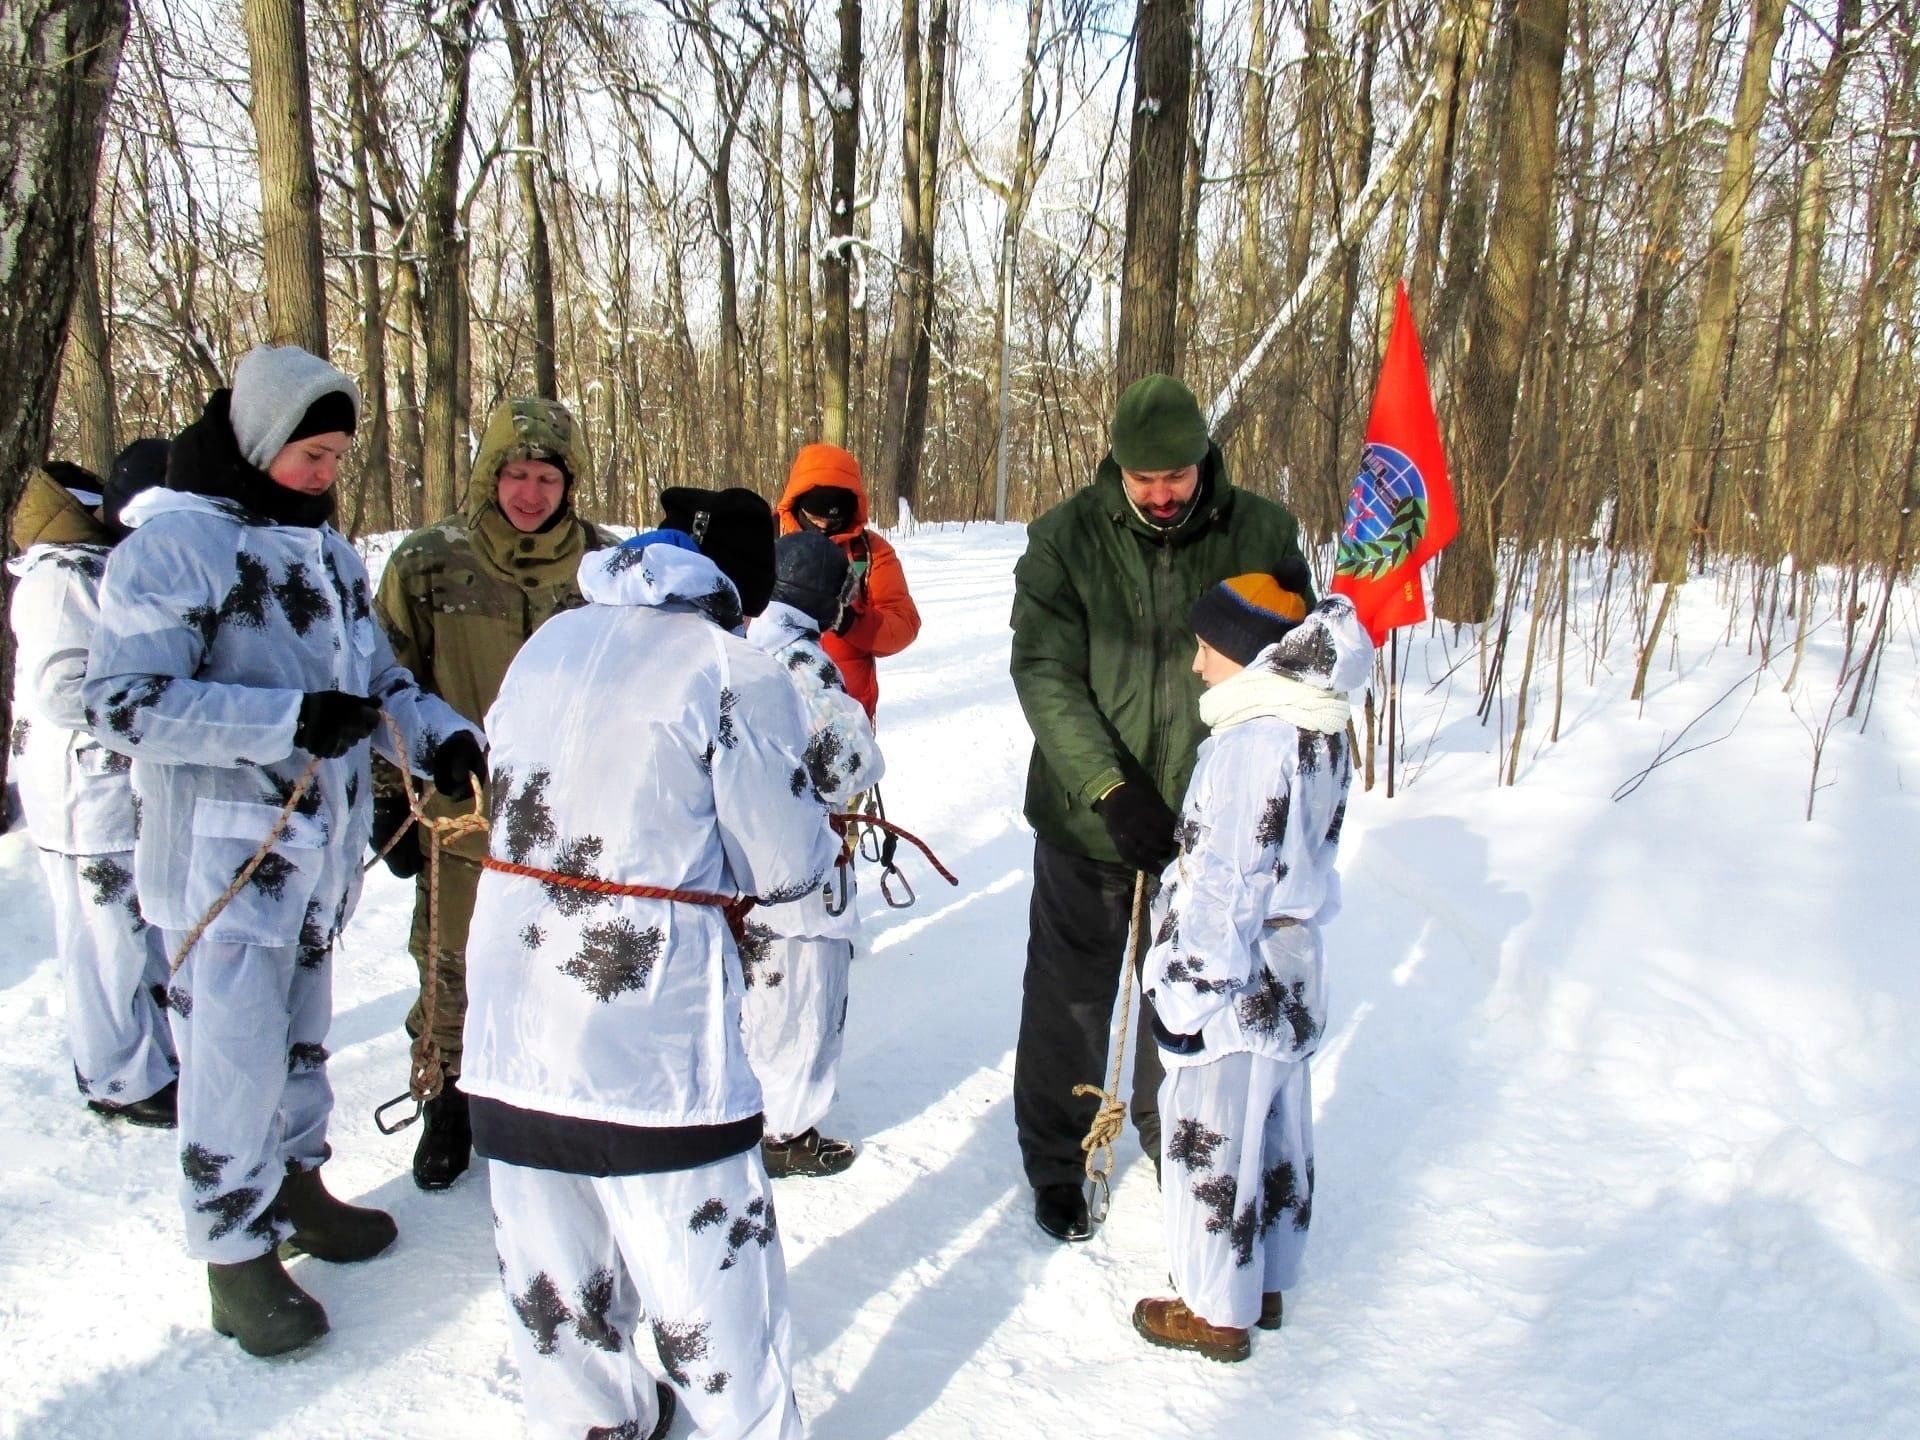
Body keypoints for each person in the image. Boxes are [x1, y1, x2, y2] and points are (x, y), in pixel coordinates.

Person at [81, 344, 484, 1359]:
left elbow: (379, 678)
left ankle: (300, 1186)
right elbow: (123, 704)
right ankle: (231, 1250)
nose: (326, 474)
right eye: (311, 454)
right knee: (232, 1059)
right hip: (223, 861)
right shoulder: (172, 550)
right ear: (262, 442)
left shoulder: (326, 554)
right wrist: (288, 720)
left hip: (316, 858)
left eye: (338, 457)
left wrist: (441, 734)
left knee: (302, 1043)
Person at [461, 491, 838, 1440]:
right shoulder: (729, 667)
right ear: (724, 592)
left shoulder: (546, 646)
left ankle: (598, 1424)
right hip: (652, 1045)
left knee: (556, 1288)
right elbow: (788, 865)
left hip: (510, 1027)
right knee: (710, 1288)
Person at [1009, 373, 1315, 1243]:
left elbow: (1297, 656)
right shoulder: (1065, 540)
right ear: (1117, 465)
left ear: (1202, 458)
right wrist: (1108, 787)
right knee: (1069, 995)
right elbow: (1043, 672)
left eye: (1174, 475)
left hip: (1209, 821)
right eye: (1142, 478)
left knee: (1183, 988)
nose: (1160, 493)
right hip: (1086, 817)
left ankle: (1167, 1130)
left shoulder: (1260, 531)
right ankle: (1059, 1159)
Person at [372, 395, 610, 1191]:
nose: (531, 493)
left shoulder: (606, 571)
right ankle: (446, 1099)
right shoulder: (429, 562)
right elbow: (385, 681)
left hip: (572, 820)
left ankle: (549, 1099)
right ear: (490, 475)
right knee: (451, 967)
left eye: (548, 477)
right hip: (461, 817)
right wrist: (387, 799)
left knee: (562, 969)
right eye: (516, 473)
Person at [1133, 583, 1370, 1360]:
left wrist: (1184, 990)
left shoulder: (1250, 745)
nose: (1197, 663)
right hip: (1291, 964)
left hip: (1235, 978)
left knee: (1211, 1139)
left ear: (1246, 651)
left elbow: (1226, 883)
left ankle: (1215, 1310)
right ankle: (1264, 1278)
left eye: (1208, 645)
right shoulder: (1319, 725)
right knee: (1272, 1131)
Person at [8, 446, 176, 1125]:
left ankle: (152, 1057)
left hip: (114, 796)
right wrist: (153, 711)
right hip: (82, 801)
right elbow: (62, 688)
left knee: (134, 938)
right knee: (102, 944)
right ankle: (118, 1077)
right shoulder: (61, 577)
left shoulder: (99, 567)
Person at [742, 530, 885, 1177]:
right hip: (798, 868)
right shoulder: (802, 663)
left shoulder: (737, 644)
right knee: (803, 999)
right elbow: (844, 765)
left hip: (742, 865)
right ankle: (788, 1131)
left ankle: (752, 1114)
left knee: (760, 995)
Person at [774, 443, 920, 721]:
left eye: (834, 520)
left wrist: (849, 621)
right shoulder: (766, 539)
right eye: (815, 518)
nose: (824, 528)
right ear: (797, 503)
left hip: (845, 715)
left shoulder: (870, 553)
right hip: (776, 711)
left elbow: (904, 624)